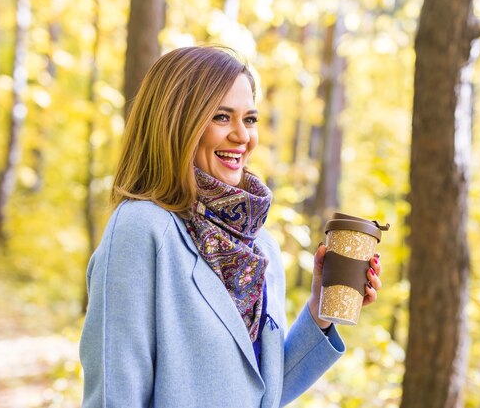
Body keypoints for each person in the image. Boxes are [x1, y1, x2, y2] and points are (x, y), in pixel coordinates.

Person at [79, 45, 383, 408]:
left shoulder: (259, 246)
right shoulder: (142, 229)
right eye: (222, 117)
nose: (243, 136)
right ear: (176, 123)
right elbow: (116, 395)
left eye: (250, 119)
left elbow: (262, 392)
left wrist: (319, 310)